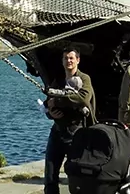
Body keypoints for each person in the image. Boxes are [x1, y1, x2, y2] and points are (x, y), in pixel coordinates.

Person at [43, 47, 96, 194]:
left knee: (76, 175)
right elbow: (48, 102)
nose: (69, 61)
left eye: (71, 58)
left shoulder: (84, 79)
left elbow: (83, 98)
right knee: (50, 174)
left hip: (75, 132)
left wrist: (58, 101)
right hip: (57, 131)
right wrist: (51, 112)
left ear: (78, 60)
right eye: (66, 58)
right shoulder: (58, 80)